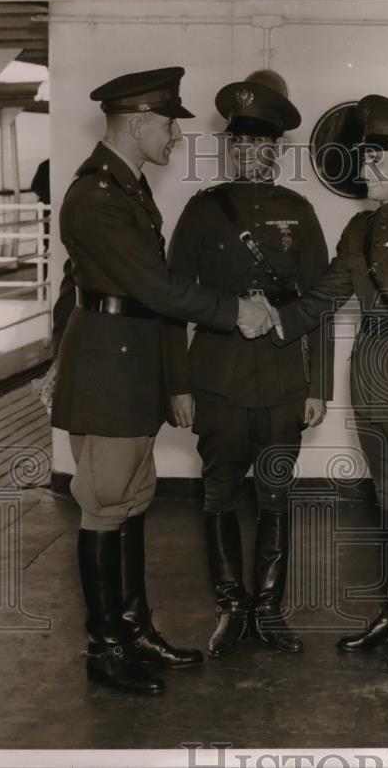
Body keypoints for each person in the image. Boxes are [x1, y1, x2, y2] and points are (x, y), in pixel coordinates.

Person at [51, 67, 263, 695]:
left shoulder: (128, 188)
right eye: (169, 122)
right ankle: (105, 647)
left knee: (134, 496)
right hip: (109, 370)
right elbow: (154, 288)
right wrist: (236, 310)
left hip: (129, 365)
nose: (175, 133)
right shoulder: (97, 196)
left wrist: (173, 372)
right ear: (139, 121)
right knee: (104, 502)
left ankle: (134, 627)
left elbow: (126, 290)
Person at [240, 94, 388, 668]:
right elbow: (326, 294)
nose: (363, 168)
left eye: (375, 158)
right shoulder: (359, 229)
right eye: (364, 157)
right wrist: (275, 319)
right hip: (370, 389)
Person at [165, 71, 333, 658]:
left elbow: (321, 303)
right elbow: (170, 302)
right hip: (216, 380)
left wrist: (320, 387)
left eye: (259, 142)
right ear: (228, 145)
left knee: (276, 495)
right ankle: (231, 608)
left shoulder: (299, 211)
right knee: (218, 494)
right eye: (237, 142)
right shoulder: (202, 210)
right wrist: (178, 385)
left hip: (285, 378)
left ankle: (268, 609)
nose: (247, 152)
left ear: (278, 148)